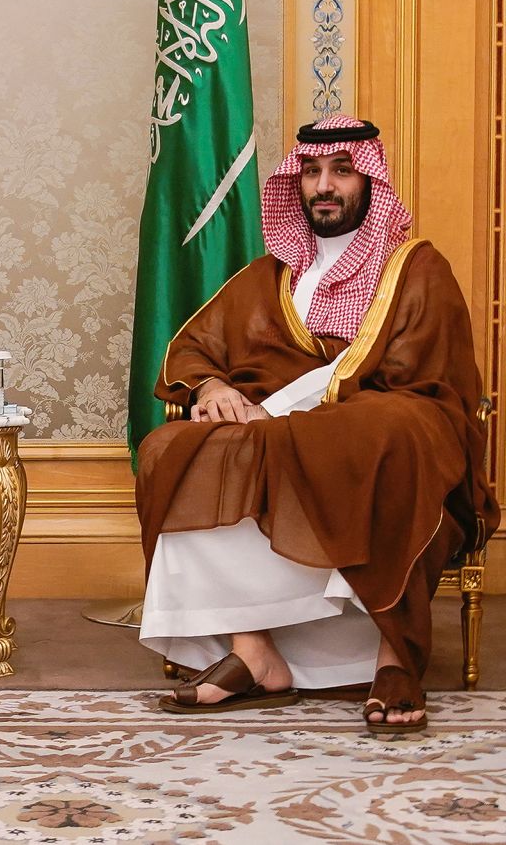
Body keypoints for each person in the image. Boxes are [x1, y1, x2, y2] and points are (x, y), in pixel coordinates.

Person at [135, 115, 499, 734]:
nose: (323, 186)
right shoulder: (272, 275)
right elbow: (198, 348)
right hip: (281, 429)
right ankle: (254, 652)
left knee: (385, 431)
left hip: (386, 420)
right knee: (174, 445)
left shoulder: (416, 267)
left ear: (369, 182)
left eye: (341, 171)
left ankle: (393, 654)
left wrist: (311, 403)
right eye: (310, 172)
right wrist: (216, 387)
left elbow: (426, 378)